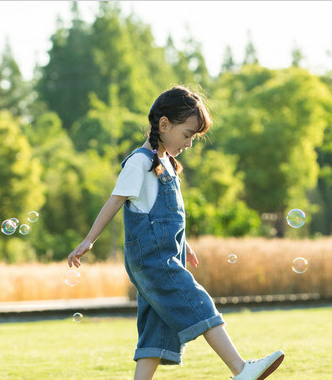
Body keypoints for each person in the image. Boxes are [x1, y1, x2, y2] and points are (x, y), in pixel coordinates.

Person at [67, 86, 284, 380]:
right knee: (199, 302)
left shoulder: (167, 164)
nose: (190, 143)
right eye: (187, 134)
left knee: (155, 330)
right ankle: (241, 370)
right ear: (164, 124)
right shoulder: (140, 163)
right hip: (153, 260)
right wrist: (88, 240)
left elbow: (166, 217)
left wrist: (185, 244)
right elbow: (115, 201)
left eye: (194, 137)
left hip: (165, 255)